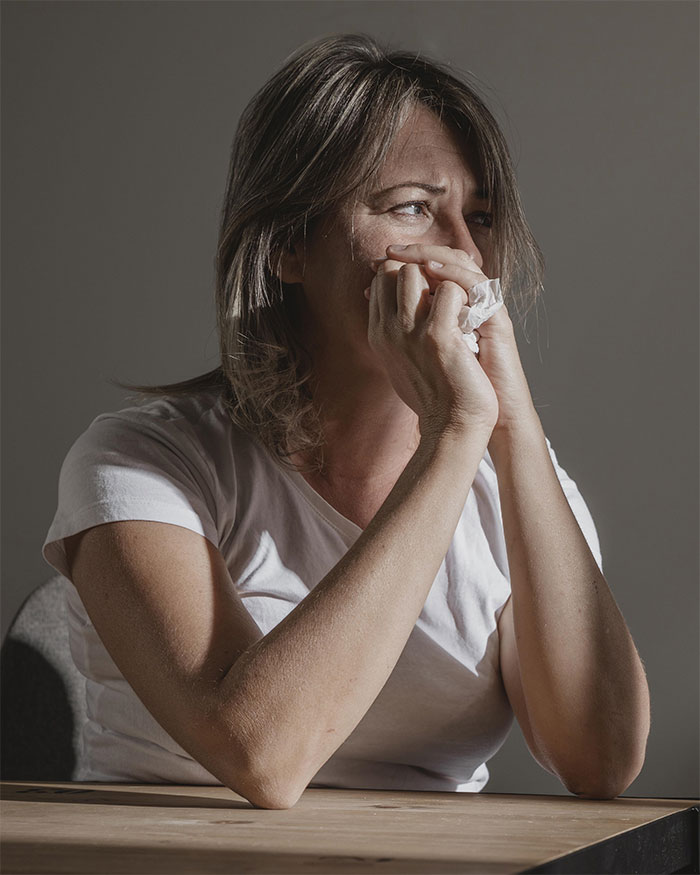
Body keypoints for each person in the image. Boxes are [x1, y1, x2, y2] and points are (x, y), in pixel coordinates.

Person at [43, 33, 650, 809]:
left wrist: (514, 428)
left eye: (483, 216)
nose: (466, 255)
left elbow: (599, 759)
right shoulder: (142, 463)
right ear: (290, 246)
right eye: (412, 209)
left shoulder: (514, 480)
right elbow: (262, 754)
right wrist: (452, 437)